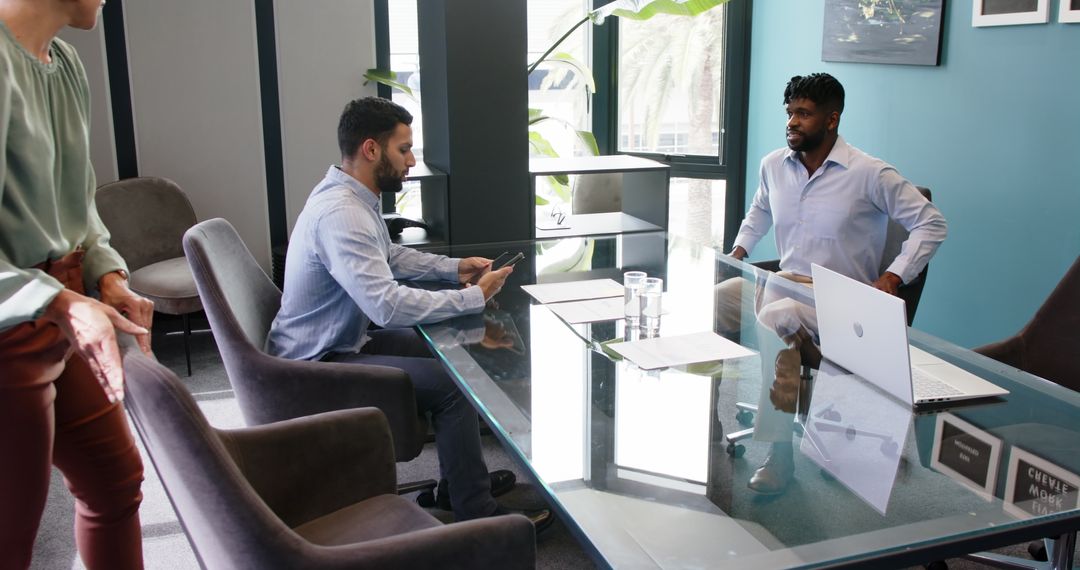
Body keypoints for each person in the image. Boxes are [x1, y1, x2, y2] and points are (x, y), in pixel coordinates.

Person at [265, 96, 551, 529]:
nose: (413, 160)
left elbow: (390, 257)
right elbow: (387, 305)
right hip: (314, 366)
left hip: (340, 338)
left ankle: (458, 484)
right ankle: (476, 511)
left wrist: (453, 270)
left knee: (452, 351)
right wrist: (472, 297)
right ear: (371, 149)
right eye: (404, 149)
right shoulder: (343, 213)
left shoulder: (349, 194)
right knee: (454, 385)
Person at [721, 73, 947, 494]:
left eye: (804, 114)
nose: (792, 122)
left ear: (831, 120)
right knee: (712, 301)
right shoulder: (773, 165)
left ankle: (779, 455)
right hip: (782, 283)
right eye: (789, 113)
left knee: (776, 317)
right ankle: (709, 419)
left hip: (842, 299)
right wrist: (736, 254)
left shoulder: (869, 173)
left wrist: (895, 275)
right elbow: (759, 211)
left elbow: (931, 224)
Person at [0, 1, 155, 568]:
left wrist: (105, 272)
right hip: (9, 324)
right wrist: (61, 301)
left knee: (116, 482)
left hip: (60, 307)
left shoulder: (65, 63)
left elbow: (79, 199)